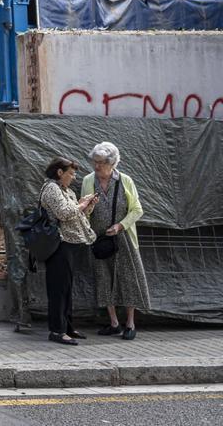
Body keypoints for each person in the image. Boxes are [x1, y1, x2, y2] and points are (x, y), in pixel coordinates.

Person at [81, 141, 150, 340]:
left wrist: (120, 226)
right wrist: (88, 208)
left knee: (128, 279)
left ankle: (130, 323)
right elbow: (83, 211)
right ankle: (113, 323)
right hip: (99, 239)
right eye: (94, 162)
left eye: (101, 162)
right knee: (104, 279)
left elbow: (137, 209)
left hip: (123, 238)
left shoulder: (125, 180)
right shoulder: (88, 180)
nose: (96, 166)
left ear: (112, 163)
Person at [39, 157, 97, 346]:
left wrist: (87, 205)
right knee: (58, 288)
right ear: (59, 172)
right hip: (58, 244)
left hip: (70, 243)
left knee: (67, 287)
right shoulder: (51, 189)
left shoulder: (67, 191)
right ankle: (57, 331)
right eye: (71, 173)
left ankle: (68, 327)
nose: (73, 177)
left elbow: (77, 214)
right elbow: (64, 213)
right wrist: (80, 205)